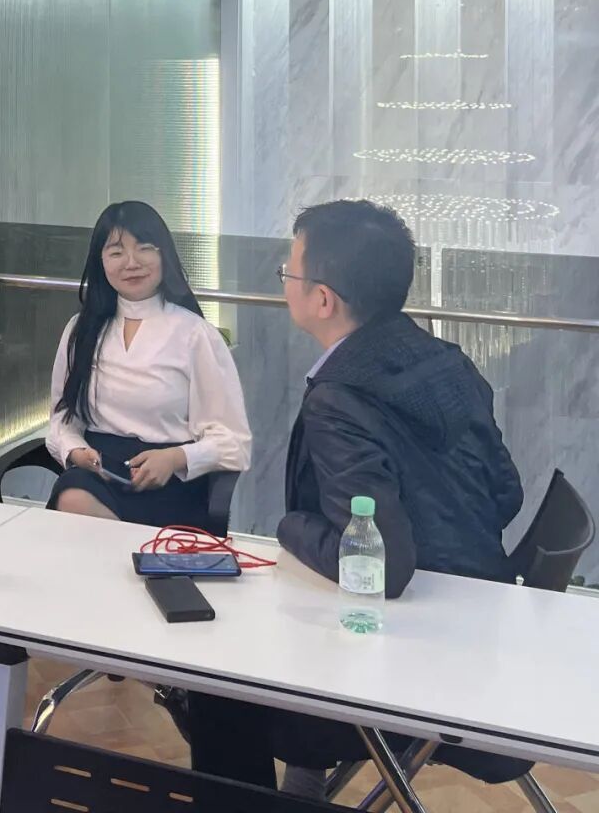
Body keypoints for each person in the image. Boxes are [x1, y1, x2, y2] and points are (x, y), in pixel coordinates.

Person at [187, 199, 524, 793]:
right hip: (482, 637)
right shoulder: (443, 359)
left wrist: (290, 525)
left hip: (410, 672)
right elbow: (506, 494)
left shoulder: (340, 398)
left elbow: (382, 567)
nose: (284, 283)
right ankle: (306, 784)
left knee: (215, 683)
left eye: (289, 272)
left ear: (323, 299)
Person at [46, 200, 252, 528]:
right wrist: (75, 451)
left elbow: (234, 443)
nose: (132, 263)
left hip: (171, 482)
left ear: (163, 255)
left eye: (144, 248)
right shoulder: (80, 330)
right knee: (73, 493)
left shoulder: (196, 334)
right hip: (101, 476)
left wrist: (175, 458)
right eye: (116, 252)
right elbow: (62, 419)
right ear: (100, 261)